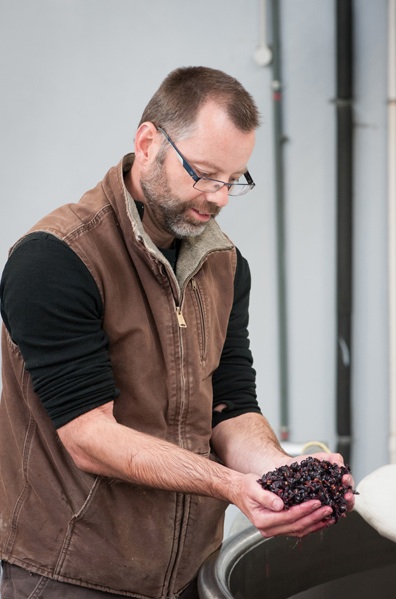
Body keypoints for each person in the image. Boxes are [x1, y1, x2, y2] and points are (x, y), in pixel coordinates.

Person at [0, 66, 355, 599]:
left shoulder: (226, 265)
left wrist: (282, 473)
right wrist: (232, 486)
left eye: (234, 180)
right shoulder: (56, 259)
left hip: (189, 570)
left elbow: (231, 406)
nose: (219, 199)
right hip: (71, 573)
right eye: (204, 173)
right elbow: (88, 439)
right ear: (148, 143)